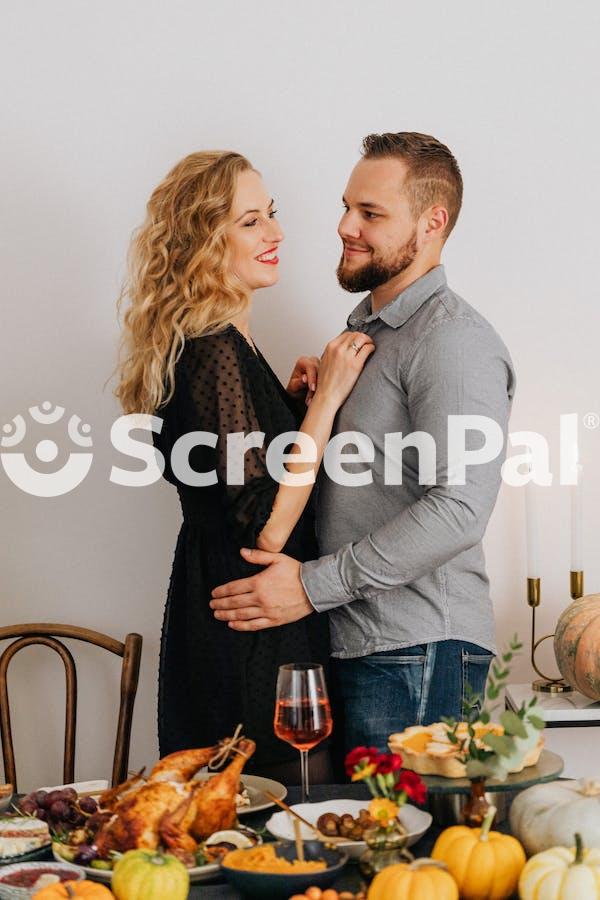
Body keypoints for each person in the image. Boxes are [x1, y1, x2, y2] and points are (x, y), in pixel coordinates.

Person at [210, 132, 516, 754]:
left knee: (407, 848)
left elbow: (460, 508)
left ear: (433, 223)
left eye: (371, 214)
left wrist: (310, 586)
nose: (346, 226)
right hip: (365, 647)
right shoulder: (370, 334)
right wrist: (302, 406)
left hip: (417, 652)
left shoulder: (452, 341)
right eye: (347, 206)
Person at [113, 150, 374, 779]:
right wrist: (328, 403)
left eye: (271, 215)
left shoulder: (229, 347)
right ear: (207, 242)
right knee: (267, 803)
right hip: (250, 623)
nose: (276, 233)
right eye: (251, 221)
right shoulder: (213, 352)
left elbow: (239, 470)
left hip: (236, 612)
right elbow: (264, 529)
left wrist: (291, 406)